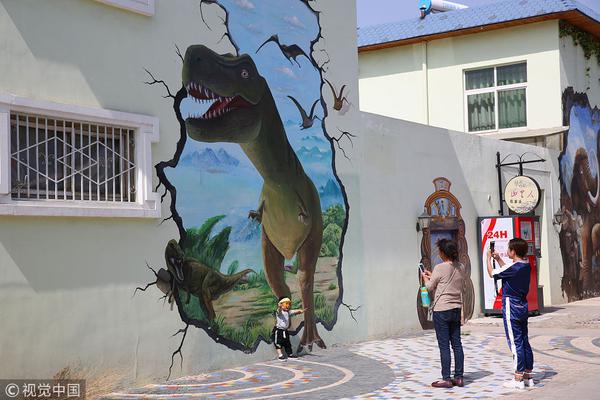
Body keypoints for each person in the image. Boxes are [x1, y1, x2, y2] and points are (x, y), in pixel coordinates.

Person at [487, 238, 534, 389]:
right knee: (524, 340)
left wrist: (488, 258)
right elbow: (508, 272)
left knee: (515, 343)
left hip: (511, 306)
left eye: (508, 249)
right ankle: (528, 376)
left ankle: (518, 378)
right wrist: (499, 259)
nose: (507, 251)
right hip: (523, 305)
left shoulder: (514, 268)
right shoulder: (525, 265)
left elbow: (491, 273)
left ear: (513, 251)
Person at [421, 239, 466, 388]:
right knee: (457, 344)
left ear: (442, 253)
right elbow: (447, 280)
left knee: (444, 346)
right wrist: (433, 275)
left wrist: (425, 277)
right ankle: (459, 377)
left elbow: (429, 286)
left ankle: (446, 378)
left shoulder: (440, 267)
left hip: (442, 310)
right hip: (456, 308)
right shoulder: (461, 267)